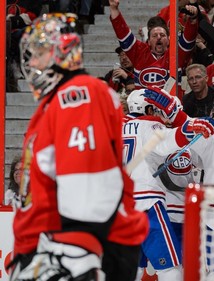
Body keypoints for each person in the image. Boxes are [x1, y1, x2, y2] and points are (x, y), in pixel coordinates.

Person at [9, 13, 149, 281]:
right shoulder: (57, 103)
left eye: (37, 53)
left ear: (61, 52)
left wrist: (74, 254)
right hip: (51, 246)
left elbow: (87, 182)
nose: (30, 63)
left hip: (74, 250)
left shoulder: (80, 94)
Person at [123, 89, 214, 281]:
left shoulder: (111, 127)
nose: (160, 116)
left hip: (119, 206)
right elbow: (166, 142)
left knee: (131, 267)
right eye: (157, 110)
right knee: (171, 269)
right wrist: (187, 129)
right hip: (146, 203)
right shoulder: (149, 126)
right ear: (148, 108)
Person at [108, 0, 198, 96]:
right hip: (143, 107)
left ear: (168, 40)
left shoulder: (177, 54)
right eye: (154, 35)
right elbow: (123, 34)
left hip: (170, 108)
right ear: (149, 41)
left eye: (162, 35)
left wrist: (192, 20)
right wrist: (114, 9)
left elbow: (189, 39)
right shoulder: (139, 53)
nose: (159, 37)